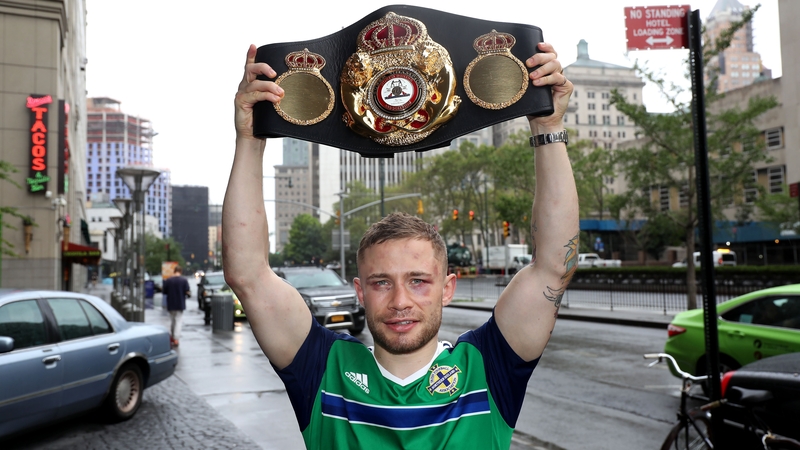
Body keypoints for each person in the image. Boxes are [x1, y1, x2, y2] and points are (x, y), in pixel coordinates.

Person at [223, 41, 577, 449]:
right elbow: (247, 274)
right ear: (360, 292)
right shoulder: (323, 369)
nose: (400, 301)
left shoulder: (487, 367)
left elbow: (554, 265)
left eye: (419, 281)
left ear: (448, 288)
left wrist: (548, 128)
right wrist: (249, 139)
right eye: (381, 282)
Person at [163, 266, 191, 347]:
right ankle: (176, 338)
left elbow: (165, 292)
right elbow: (187, 291)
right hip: (180, 303)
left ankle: (172, 336)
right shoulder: (184, 280)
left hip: (171, 303)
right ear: (180, 271)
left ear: (174, 271)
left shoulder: (168, 280)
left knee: (172, 321)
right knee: (178, 321)